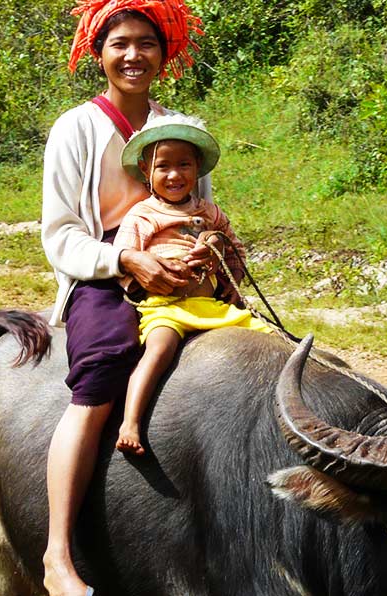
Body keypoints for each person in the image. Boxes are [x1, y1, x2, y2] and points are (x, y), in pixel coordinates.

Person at [39, 1, 204, 595]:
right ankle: (57, 554)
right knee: (102, 373)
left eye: (146, 44)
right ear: (98, 53)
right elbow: (59, 235)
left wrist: (204, 256)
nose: (134, 55)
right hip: (105, 271)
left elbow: (196, 209)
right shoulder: (76, 127)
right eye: (120, 44)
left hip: (180, 265)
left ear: (166, 53)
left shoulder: (182, 127)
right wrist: (124, 259)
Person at [112, 114, 272, 455]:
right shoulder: (143, 215)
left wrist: (232, 279)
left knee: (269, 339)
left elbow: (236, 250)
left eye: (184, 164)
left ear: (197, 167)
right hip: (167, 306)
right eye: (163, 166)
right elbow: (124, 258)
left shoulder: (212, 213)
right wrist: (144, 279)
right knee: (159, 350)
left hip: (212, 304)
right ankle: (131, 421)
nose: (174, 175)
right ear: (146, 171)